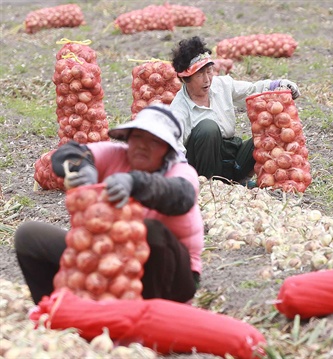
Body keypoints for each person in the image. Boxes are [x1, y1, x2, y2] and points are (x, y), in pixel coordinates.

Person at [14, 104, 204, 304]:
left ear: (167, 150)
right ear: (128, 138)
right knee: (29, 236)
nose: (143, 145)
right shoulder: (115, 153)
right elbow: (67, 153)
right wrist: (83, 166)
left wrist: (134, 182)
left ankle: (147, 318)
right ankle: (58, 310)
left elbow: (179, 196)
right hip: (106, 256)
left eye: (155, 141)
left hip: (174, 276)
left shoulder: (182, 172)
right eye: (138, 136)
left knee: (149, 230)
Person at [170, 36, 301, 186]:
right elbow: (174, 148)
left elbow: (252, 90)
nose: (207, 79)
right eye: (200, 75)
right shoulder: (178, 109)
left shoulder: (221, 85)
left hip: (230, 158)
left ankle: (239, 182)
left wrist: (279, 85)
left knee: (268, 137)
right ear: (185, 79)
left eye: (209, 71)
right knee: (208, 127)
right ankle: (211, 186)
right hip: (201, 167)